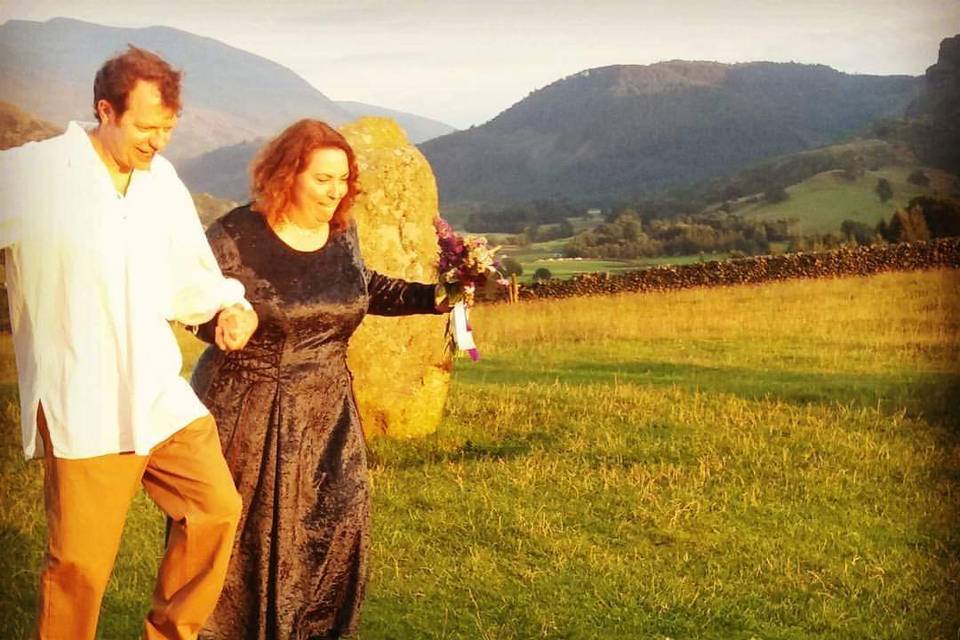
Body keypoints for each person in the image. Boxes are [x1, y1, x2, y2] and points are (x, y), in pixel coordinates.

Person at [0, 46, 259, 639]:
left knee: (215, 509)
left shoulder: (159, 180)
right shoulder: (36, 175)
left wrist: (229, 304)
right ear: (105, 111)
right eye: (146, 127)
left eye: (168, 128)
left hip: (157, 394)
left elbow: (188, 271)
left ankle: (169, 635)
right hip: (83, 401)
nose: (157, 141)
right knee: (80, 567)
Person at [189, 119, 445, 639]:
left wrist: (434, 296)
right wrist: (219, 323)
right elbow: (189, 301)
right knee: (249, 542)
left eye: (344, 179)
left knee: (330, 529)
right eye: (323, 178)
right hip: (249, 413)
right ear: (288, 174)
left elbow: (362, 287)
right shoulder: (235, 234)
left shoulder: (342, 231)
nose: (336, 191)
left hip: (329, 415)